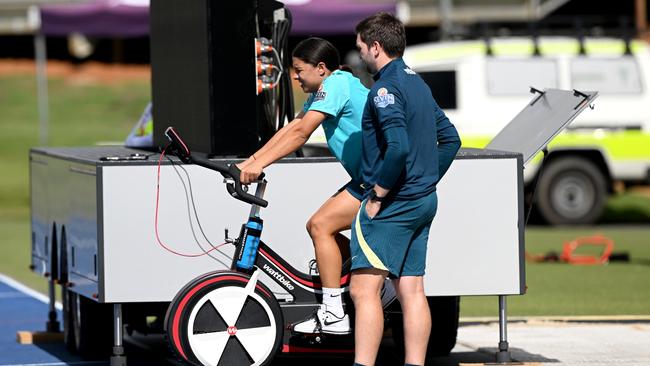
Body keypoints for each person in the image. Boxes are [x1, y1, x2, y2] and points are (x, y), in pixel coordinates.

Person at [349, 12, 461, 366]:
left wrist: (380, 193)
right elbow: (451, 140)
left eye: (361, 48)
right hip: (423, 201)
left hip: (393, 203)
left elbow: (397, 147)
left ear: (376, 47)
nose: (360, 55)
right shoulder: (417, 82)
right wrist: (424, 181)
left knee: (363, 290)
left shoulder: (385, 88)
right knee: (411, 290)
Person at [237, 37, 369, 335]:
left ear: (321, 68)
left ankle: (334, 312)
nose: (294, 76)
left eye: (298, 70)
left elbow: (301, 134)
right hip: (367, 178)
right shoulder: (327, 87)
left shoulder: (337, 84)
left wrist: (259, 165)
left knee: (320, 226)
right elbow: (291, 128)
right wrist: (249, 162)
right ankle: (371, 284)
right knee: (322, 228)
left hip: (380, 182)